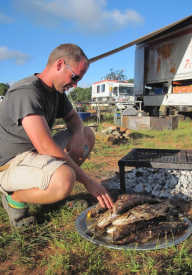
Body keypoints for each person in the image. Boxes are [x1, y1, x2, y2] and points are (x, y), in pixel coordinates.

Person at [0, 43, 113, 228]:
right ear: (60, 64)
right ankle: (14, 198)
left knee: (87, 134)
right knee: (65, 178)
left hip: (34, 153)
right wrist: (88, 181)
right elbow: (46, 147)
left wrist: (77, 133)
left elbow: (75, 121)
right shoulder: (26, 92)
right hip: (10, 164)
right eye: (75, 77)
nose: (75, 84)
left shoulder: (56, 92)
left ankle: (52, 193)